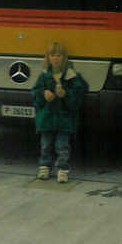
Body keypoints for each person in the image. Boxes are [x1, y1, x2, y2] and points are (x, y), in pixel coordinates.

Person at [31, 42, 86, 183]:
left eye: (59, 55)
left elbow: (79, 95)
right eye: (52, 55)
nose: (55, 58)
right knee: (45, 145)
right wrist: (44, 94)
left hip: (64, 119)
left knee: (62, 146)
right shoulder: (43, 76)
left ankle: (62, 169)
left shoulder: (72, 76)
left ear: (64, 58)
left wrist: (65, 94)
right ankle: (44, 167)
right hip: (47, 118)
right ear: (48, 58)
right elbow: (35, 93)